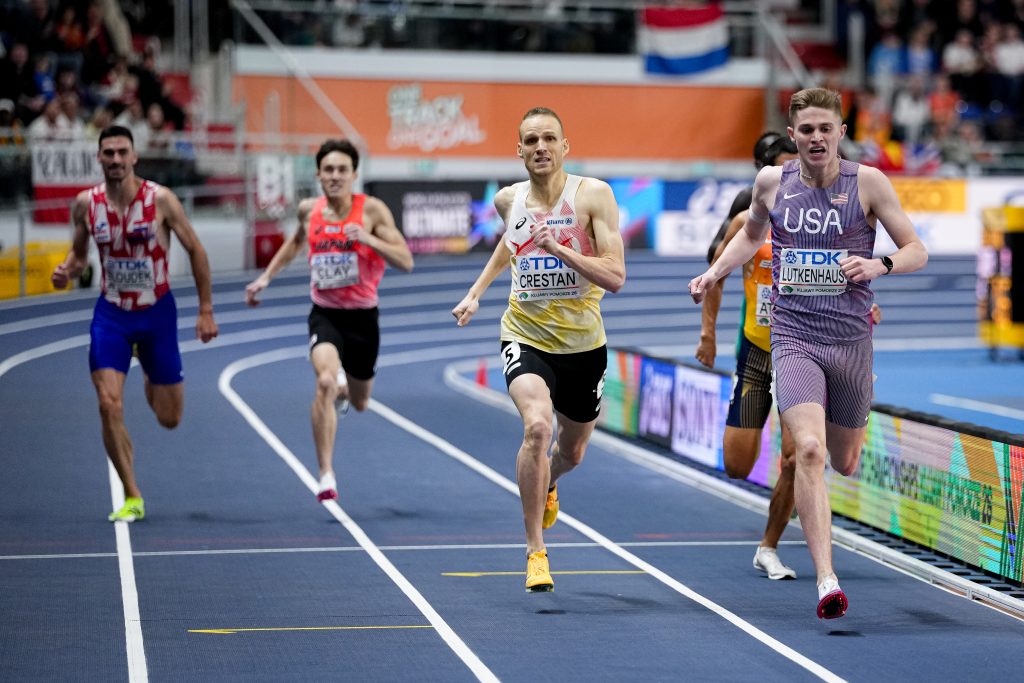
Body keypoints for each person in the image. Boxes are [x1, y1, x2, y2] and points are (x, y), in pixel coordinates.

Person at [689, 88, 927, 619]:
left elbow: (917, 248)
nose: (816, 138)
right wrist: (714, 273)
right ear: (793, 137)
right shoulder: (772, 183)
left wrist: (879, 266)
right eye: (806, 130)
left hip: (850, 343)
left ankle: (854, 420)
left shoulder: (868, 183)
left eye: (826, 128)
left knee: (843, 460)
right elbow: (749, 236)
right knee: (810, 453)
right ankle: (826, 581)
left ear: (841, 132)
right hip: (793, 339)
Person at [451, 107, 626, 593]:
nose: (541, 147)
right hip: (525, 334)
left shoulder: (593, 196)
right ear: (520, 151)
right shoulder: (510, 199)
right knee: (536, 427)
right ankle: (535, 550)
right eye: (531, 140)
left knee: (571, 450)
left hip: (583, 345)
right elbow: (511, 244)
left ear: (565, 147)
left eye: (550, 138)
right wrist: (477, 290)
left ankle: (550, 482)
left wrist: (561, 250)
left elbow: (616, 277)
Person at [50, 125, 219, 522]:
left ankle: (148, 371)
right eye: (107, 153)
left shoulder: (161, 200)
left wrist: (206, 308)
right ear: (99, 158)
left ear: (134, 156)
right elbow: (78, 256)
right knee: (108, 404)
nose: (115, 160)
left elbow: (196, 250)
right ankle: (132, 494)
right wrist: (66, 272)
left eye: (121, 152)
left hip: (157, 314)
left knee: (170, 418)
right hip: (111, 316)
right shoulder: (85, 204)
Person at [245, 139, 414, 502]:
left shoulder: (372, 211)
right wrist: (265, 279)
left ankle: (343, 389)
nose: (335, 176)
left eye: (342, 170)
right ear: (318, 174)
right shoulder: (310, 210)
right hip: (325, 314)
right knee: (323, 380)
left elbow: (405, 260)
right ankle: (325, 473)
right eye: (328, 170)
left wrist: (368, 238)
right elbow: (293, 244)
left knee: (360, 401)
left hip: (363, 319)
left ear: (354, 174)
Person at [696, 134, 801, 582]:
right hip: (757, 350)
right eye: (783, 165)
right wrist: (708, 335)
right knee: (738, 466)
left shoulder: (825, 217)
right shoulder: (748, 215)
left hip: (802, 350)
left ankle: (769, 545)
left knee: (798, 459)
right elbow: (714, 271)